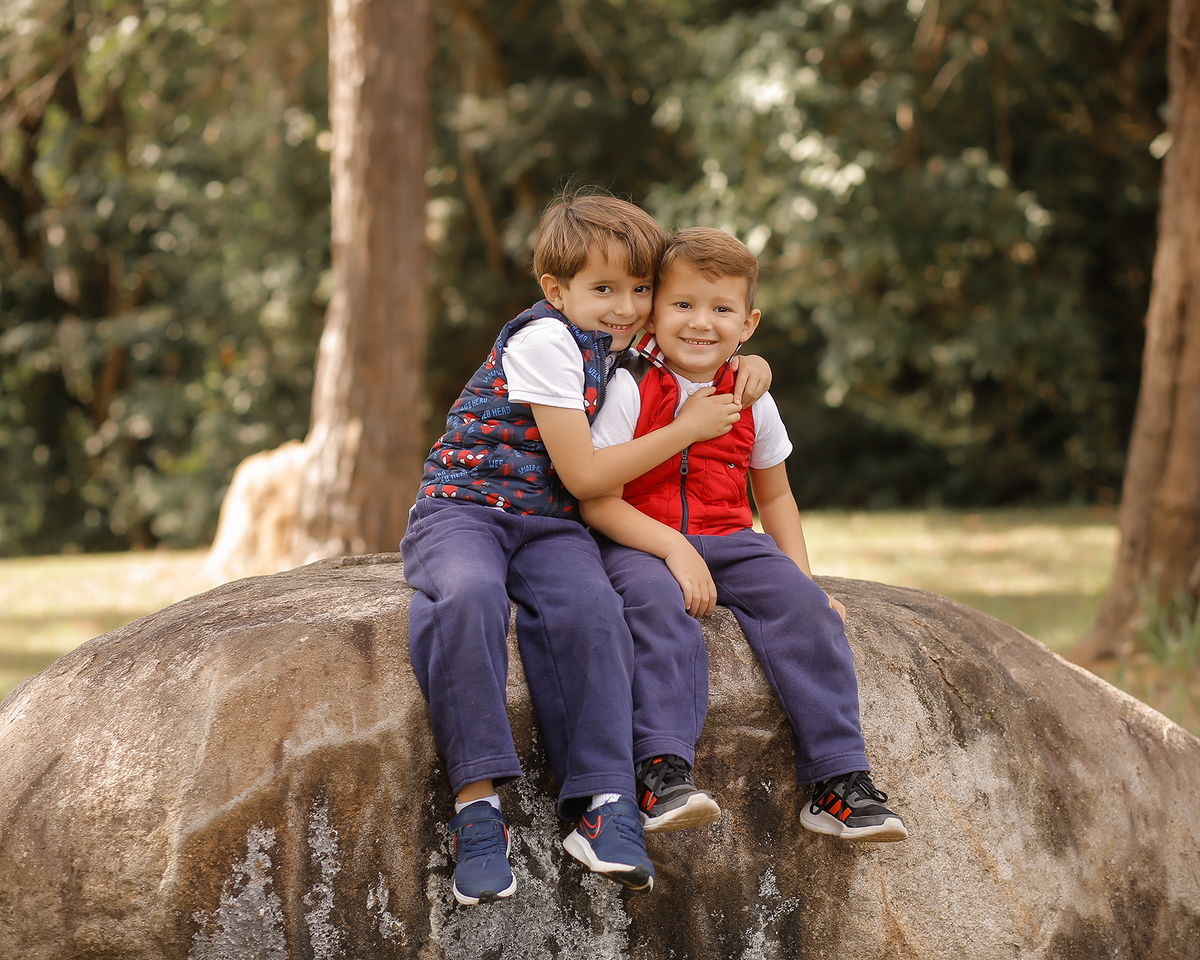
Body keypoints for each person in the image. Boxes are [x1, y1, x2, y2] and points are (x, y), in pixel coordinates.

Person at [400, 193, 770, 907]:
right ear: (556, 289)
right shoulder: (545, 342)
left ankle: (600, 803)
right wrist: (688, 431)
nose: (626, 308)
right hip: (466, 512)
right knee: (468, 595)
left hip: (549, 525)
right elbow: (586, 474)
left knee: (594, 605)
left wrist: (757, 368)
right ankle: (479, 809)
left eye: (639, 290)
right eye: (604, 290)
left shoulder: (623, 344)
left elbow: (711, 343)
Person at [581, 227, 908, 842]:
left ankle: (838, 781)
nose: (701, 322)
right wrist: (669, 549)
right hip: (640, 540)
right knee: (652, 605)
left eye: (721, 308)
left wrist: (806, 584)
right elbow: (599, 499)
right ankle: (661, 770)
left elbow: (776, 494)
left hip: (731, 537)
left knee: (807, 612)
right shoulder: (629, 387)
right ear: (653, 314)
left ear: (748, 322)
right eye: (683, 305)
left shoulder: (752, 397)